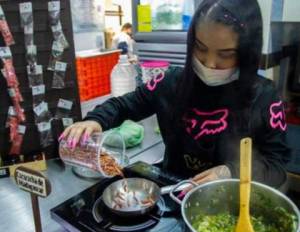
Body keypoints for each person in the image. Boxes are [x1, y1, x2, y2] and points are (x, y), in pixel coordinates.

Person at [60, 0, 290, 189]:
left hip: (228, 203)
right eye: (200, 48)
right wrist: (95, 120)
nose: (209, 63)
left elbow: (277, 165)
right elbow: (125, 105)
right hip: (172, 189)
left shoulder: (264, 97)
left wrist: (230, 172)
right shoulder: (171, 82)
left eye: (226, 54)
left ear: (246, 52)